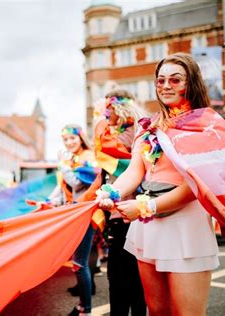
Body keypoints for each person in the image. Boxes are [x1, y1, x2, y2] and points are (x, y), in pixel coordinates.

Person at [98, 53, 225, 315]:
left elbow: (200, 184)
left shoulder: (208, 126)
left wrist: (146, 207)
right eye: (161, 80)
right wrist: (111, 191)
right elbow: (134, 171)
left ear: (192, 83)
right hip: (148, 227)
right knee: (157, 311)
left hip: (186, 225)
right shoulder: (149, 127)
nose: (166, 85)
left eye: (175, 80)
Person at [93, 89, 147, 315]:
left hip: (128, 214)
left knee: (121, 281)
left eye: (108, 108)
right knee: (133, 281)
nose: (106, 114)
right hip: (127, 213)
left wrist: (98, 121)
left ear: (117, 107)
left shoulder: (128, 135)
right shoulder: (134, 132)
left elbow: (104, 146)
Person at [48, 124, 100, 316]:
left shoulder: (89, 158)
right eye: (65, 140)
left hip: (85, 215)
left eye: (72, 138)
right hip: (75, 214)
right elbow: (64, 186)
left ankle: (85, 310)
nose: (69, 143)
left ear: (81, 138)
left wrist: (63, 165)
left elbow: (78, 183)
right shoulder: (73, 159)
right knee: (79, 263)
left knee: (80, 263)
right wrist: (49, 200)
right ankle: (83, 307)